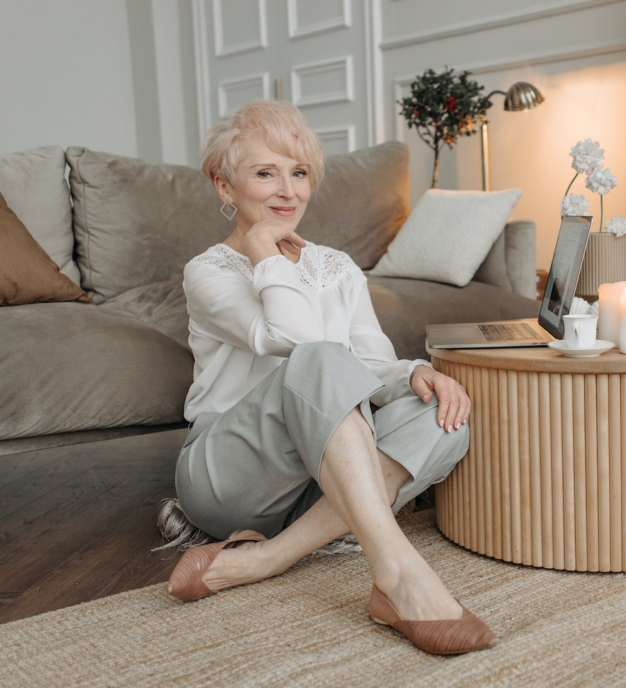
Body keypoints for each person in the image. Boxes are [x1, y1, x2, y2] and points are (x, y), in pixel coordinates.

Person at [158, 99, 494, 655]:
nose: (287, 191)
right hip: (230, 474)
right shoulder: (208, 272)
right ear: (225, 186)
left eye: (299, 173)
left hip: (320, 477)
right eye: (265, 173)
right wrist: (267, 257)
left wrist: (416, 373)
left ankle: (268, 557)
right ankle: (400, 574)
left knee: (445, 419)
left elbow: (371, 362)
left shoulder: (336, 267)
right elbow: (294, 343)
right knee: (318, 358)